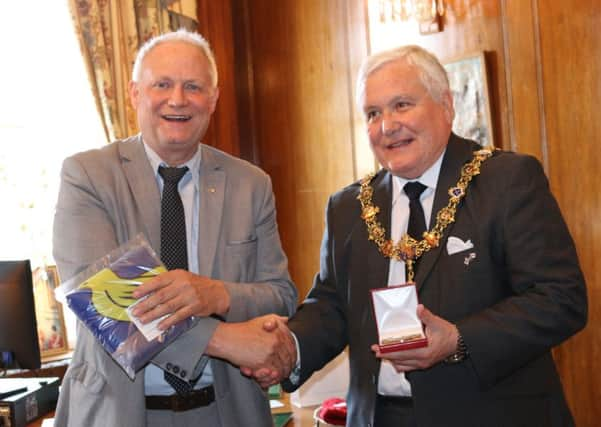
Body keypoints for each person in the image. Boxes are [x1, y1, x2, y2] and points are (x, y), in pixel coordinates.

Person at [244, 45, 588, 426]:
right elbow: (332, 308)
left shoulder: (506, 181)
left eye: (402, 105)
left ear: (445, 104)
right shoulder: (348, 207)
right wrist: (288, 348)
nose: (387, 126)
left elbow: (560, 299)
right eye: (373, 113)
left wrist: (459, 339)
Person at [52, 29, 297, 427]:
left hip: (226, 413)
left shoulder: (251, 184)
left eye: (193, 86)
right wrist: (226, 341)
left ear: (213, 98)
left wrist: (216, 295)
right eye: (162, 84)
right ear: (134, 93)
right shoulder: (88, 175)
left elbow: (280, 296)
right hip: (119, 413)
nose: (178, 99)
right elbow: (106, 304)